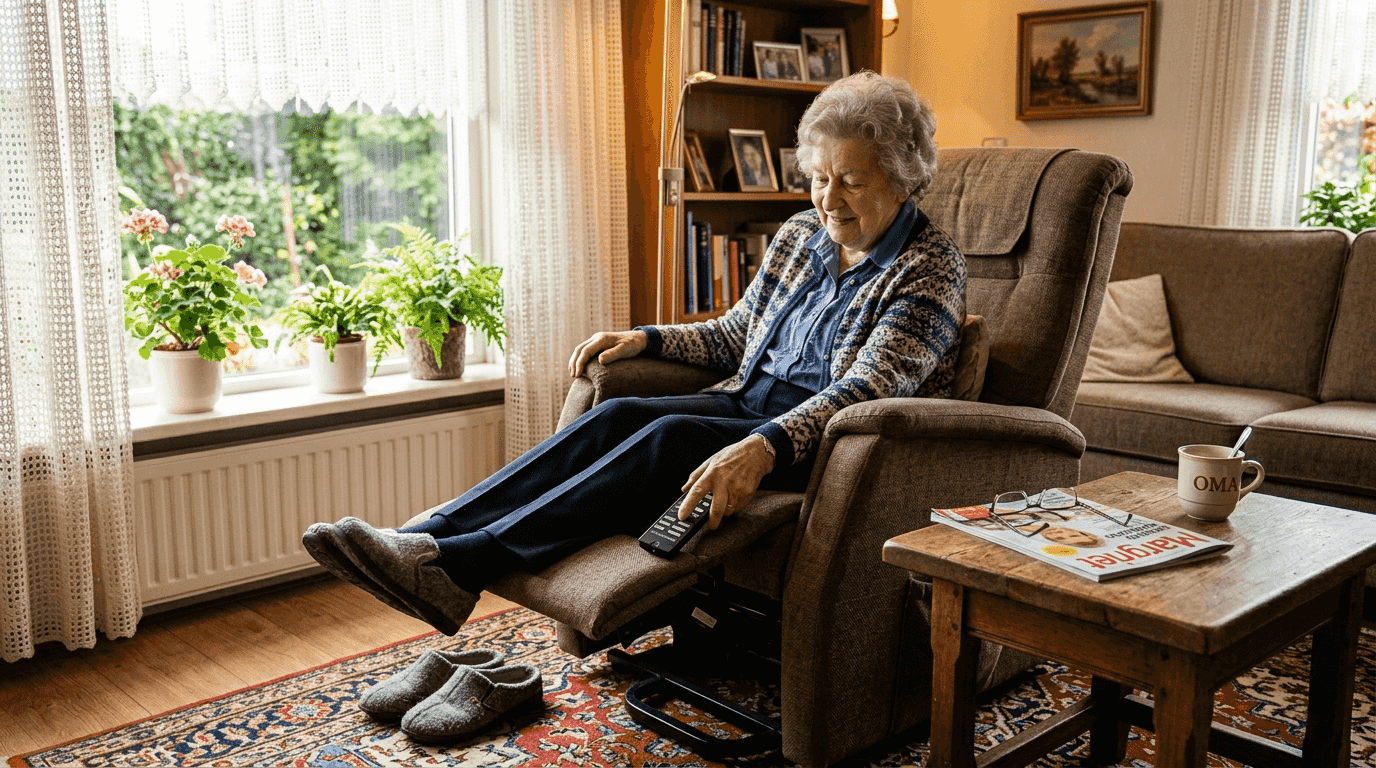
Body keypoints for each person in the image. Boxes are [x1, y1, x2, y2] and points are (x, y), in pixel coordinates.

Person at [303, 71, 966, 639]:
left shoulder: (928, 270)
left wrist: (762, 447)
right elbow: (736, 335)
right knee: (618, 414)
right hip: (742, 401)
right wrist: (645, 339)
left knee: (669, 433)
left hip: (824, 443)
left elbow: (865, 391)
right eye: (819, 178)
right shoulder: (801, 236)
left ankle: (459, 566)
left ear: (904, 176)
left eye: (849, 179)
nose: (827, 199)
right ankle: (426, 537)